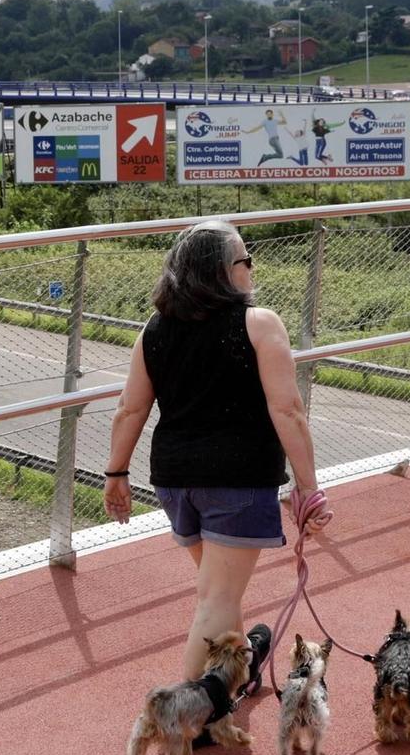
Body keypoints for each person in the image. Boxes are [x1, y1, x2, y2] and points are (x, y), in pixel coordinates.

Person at [103, 220, 331, 704]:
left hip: (174, 481)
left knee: (219, 587)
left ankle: (242, 665)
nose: (252, 269)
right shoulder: (260, 323)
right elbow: (288, 408)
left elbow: (130, 408)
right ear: (223, 272)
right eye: (245, 260)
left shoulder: (155, 329)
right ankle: (184, 712)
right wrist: (308, 488)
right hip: (237, 480)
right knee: (216, 598)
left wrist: (116, 473)